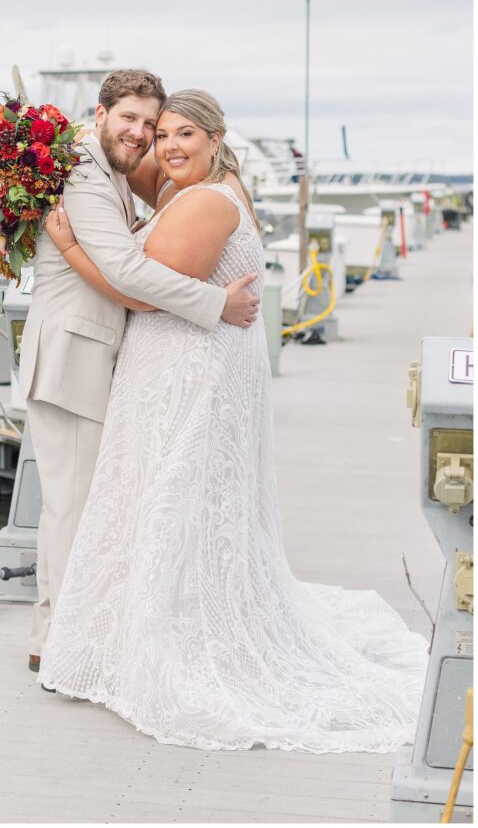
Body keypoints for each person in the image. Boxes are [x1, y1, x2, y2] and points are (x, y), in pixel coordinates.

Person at [37, 89, 428, 753]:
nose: (169, 147)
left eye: (184, 134)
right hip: (187, 367)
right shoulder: (203, 189)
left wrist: (69, 245)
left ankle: (161, 638)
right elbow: (118, 165)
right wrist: (69, 147)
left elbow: (143, 293)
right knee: (179, 504)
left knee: (172, 501)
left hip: (187, 368)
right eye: (162, 135)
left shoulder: (206, 203)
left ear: (216, 139)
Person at [17, 71, 260, 673]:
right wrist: (215, 304)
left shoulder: (115, 168)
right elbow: (129, 274)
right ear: (100, 113)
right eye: (132, 119)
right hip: (74, 356)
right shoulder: (83, 172)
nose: (143, 134)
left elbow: (174, 192)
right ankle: (54, 643)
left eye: (152, 125)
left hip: (99, 354)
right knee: (72, 506)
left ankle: (76, 632)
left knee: (91, 503)